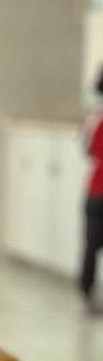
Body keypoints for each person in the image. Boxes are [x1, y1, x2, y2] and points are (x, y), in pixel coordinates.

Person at [83, 66, 103, 312]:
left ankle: (85, 294)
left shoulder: (94, 116)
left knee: (91, 245)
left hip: (95, 191)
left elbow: (85, 149)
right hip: (98, 191)